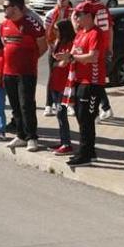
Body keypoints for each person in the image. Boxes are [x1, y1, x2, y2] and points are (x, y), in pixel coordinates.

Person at [56, 2, 106, 165]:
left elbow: (93, 56)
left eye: (79, 14)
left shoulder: (96, 34)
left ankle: (85, 154)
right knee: (80, 116)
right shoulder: (80, 33)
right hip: (78, 81)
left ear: (89, 16)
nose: (76, 17)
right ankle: (88, 152)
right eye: (76, 14)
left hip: (91, 82)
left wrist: (71, 58)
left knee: (86, 119)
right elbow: (73, 54)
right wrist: (64, 59)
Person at [2, 0, 48, 153]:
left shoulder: (31, 24)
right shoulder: (5, 24)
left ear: (15, 7)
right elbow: (5, 45)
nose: (4, 9)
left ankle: (32, 137)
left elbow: (43, 46)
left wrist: (30, 61)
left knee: (26, 105)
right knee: (15, 106)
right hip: (8, 72)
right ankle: (20, 135)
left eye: (5, 6)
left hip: (26, 73)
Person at [77, 0, 114, 120]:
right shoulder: (103, 7)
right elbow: (110, 29)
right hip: (103, 47)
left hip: (91, 47)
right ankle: (104, 108)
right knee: (97, 80)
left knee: (93, 81)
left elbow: (79, 28)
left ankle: (100, 110)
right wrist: (110, 48)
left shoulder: (86, 8)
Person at [44, 0, 74, 116]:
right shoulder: (51, 14)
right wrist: (52, 47)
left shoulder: (73, 13)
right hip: (54, 48)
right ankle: (48, 105)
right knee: (52, 77)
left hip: (68, 48)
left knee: (69, 77)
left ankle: (70, 104)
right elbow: (47, 33)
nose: (61, 0)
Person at [49, 19, 76, 155]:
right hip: (55, 82)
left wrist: (60, 61)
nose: (55, 32)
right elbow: (55, 61)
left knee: (61, 114)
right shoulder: (58, 42)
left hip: (64, 86)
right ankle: (62, 140)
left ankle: (67, 144)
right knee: (59, 115)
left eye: (57, 29)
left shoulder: (71, 43)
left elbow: (65, 63)